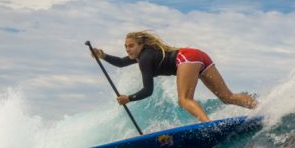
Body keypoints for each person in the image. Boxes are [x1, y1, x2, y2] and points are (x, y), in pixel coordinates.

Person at [91, 31, 257, 122]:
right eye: (126, 47)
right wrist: (102, 55)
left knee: (184, 100)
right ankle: (261, 107)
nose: (128, 50)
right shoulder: (144, 55)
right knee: (226, 97)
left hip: (187, 58)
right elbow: (121, 62)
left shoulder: (145, 59)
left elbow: (148, 90)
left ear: (141, 45)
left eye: (131, 46)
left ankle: (208, 125)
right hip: (198, 55)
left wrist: (129, 98)